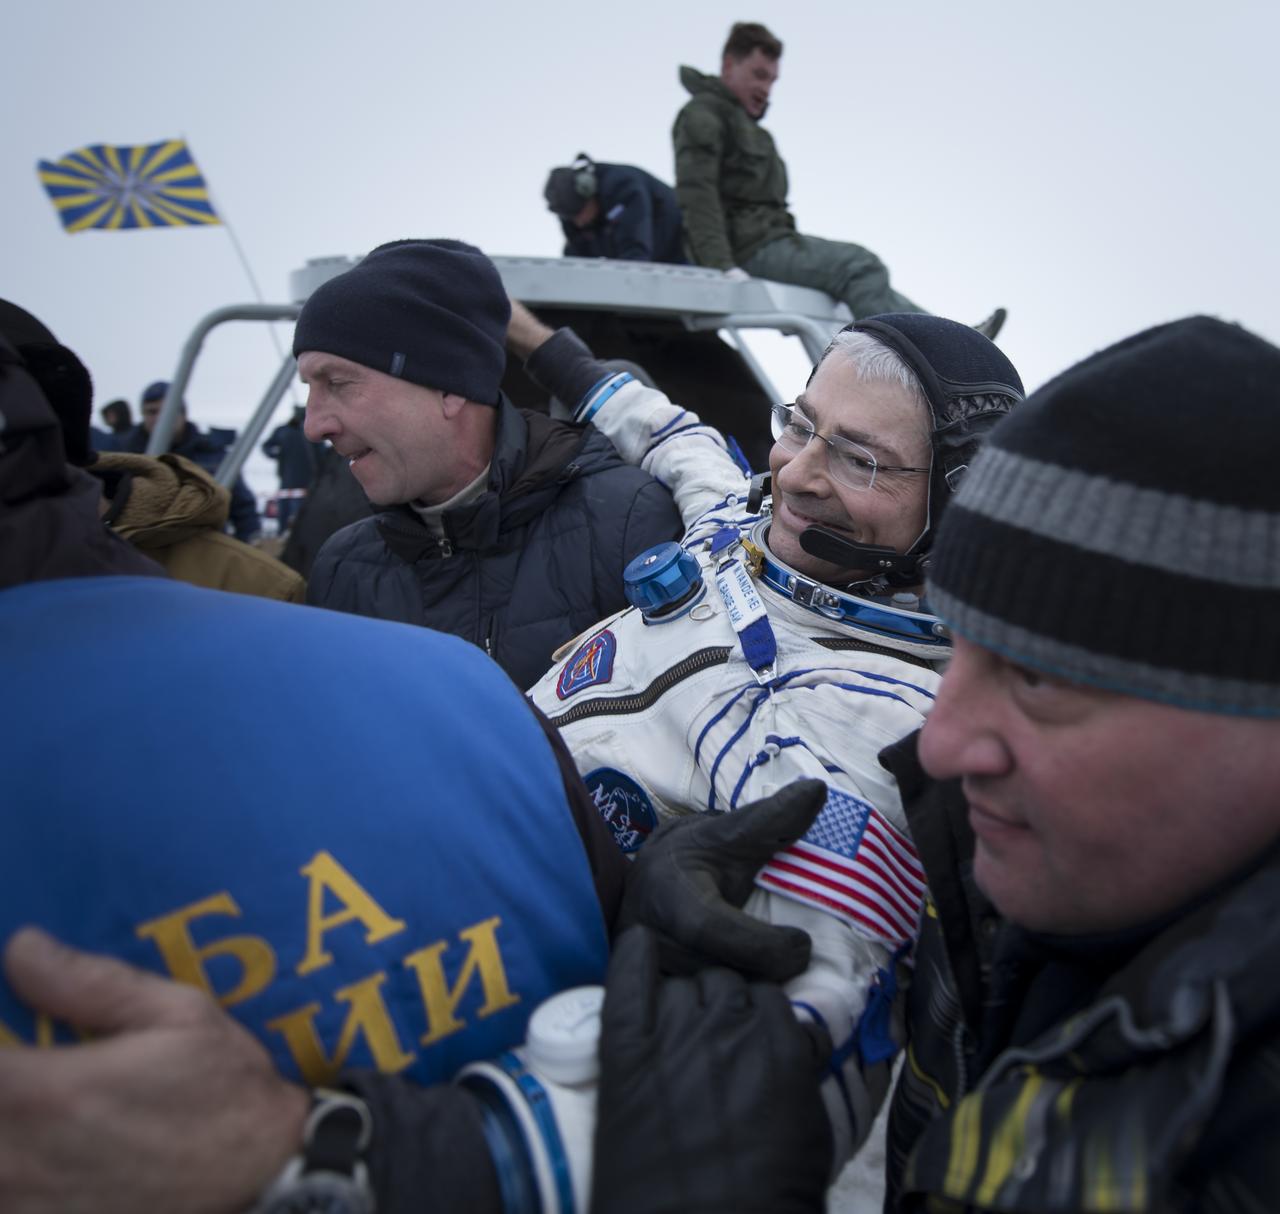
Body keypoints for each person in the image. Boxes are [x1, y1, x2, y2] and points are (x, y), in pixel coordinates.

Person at [512, 299, 1023, 1166]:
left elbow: (782, 1059)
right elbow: (671, 432)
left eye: (859, 459)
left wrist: (452, 1156)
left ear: (954, 510)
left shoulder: (885, 727)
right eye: (800, 422)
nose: (795, 473)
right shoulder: (742, 524)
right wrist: (526, 336)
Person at [299, 237, 682, 689]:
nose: (313, 424)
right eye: (308, 386)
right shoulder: (342, 569)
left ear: (448, 386)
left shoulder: (630, 527)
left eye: (338, 383)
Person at [674, 22, 1006, 336]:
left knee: (872, 285)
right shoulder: (705, 115)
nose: (766, 89)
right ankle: (915, 359)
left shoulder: (747, 125)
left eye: (772, 80)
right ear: (729, 65)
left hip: (771, 239)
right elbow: (697, 194)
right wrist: (721, 265)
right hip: (748, 249)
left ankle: (951, 339)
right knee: (858, 266)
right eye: (759, 75)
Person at [121, 379, 263, 542]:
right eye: (152, 412)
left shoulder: (212, 455)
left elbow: (243, 508)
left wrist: (247, 547)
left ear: (183, 414)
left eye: (166, 412)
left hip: (203, 551)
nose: (159, 418)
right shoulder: (128, 457)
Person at [543, 154, 686, 264]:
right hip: (651, 265)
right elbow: (575, 259)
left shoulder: (624, 188)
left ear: (588, 190)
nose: (579, 222)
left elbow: (634, 252)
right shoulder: (571, 216)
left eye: (580, 213)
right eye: (573, 218)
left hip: (681, 254)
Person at [263, 404, 320, 535]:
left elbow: (320, 455)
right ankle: (282, 537)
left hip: (308, 481)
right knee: (284, 512)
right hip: (286, 480)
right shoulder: (283, 431)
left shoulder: (312, 432)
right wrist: (275, 453)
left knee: (302, 516)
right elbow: (267, 446)